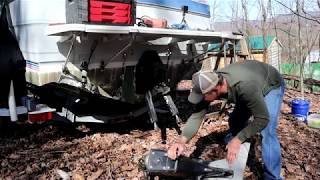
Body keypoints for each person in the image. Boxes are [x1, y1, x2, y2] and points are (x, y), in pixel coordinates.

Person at [168, 60, 285, 180]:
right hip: (250, 84)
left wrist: (238, 139)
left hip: (270, 82)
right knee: (235, 121)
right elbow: (197, 115)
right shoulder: (210, 82)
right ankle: (240, 152)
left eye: (203, 96)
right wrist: (181, 141)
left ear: (216, 89)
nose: (201, 99)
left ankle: (273, 176)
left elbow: (262, 118)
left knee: (268, 130)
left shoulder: (244, 86)